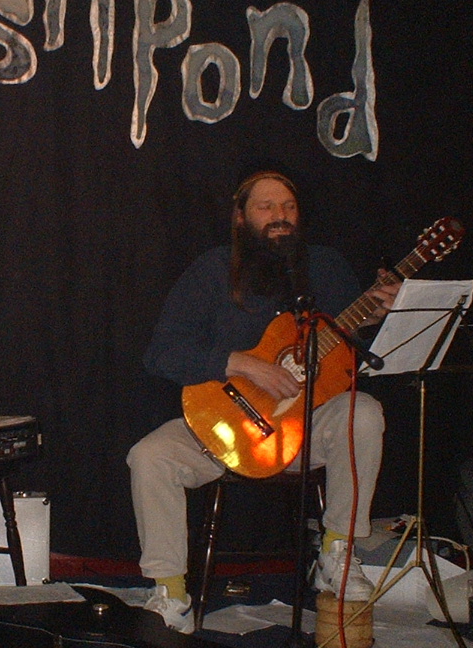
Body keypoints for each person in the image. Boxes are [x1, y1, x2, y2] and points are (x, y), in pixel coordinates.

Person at [126, 169, 401, 633]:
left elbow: (351, 353)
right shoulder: (213, 270)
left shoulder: (326, 267)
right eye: (267, 207)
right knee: (149, 456)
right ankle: (171, 594)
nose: (280, 217)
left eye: (289, 207)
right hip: (224, 428)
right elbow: (162, 352)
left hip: (302, 430)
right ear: (240, 217)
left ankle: (338, 552)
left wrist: (374, 314)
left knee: (365, 412)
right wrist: (243, 364)